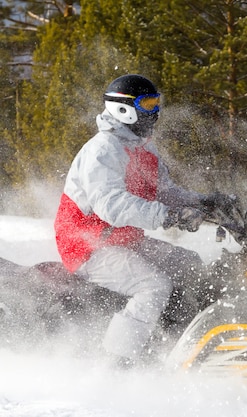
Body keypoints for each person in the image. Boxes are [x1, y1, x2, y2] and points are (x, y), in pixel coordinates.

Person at [54, 74, 231, 366]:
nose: (155, 111)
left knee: (190, 264)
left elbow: (164, 191)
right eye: (147, 104)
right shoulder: (103, 149)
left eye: (156, 102)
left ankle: (186, 341)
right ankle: (117, 363)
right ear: (124, 108)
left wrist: (204, 202)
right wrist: (168, 217)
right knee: (153, 286)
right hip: (87, 248)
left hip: (124, 241)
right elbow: (111, 204)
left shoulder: (143, 147)